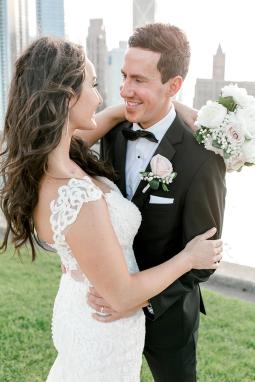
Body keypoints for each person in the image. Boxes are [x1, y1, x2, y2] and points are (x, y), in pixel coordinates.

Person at [0, 37, 222, 382]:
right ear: (66, 97)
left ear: (172, 85)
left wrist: (174, 108)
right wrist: (189, 257)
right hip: (104, 322)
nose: (112, 94)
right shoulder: (78, 192)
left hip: (130, 315)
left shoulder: (52, 159)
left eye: (138, 80)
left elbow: (113, 114)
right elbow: (121, 294)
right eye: (94, 83)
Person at [85, 23, 226, 382]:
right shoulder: (113, 133)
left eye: (139, 80)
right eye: (124, 76)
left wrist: (137, 299)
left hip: (168, 321)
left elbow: (203, 262)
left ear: (173, 86)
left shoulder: (203, 158)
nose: (125, 90)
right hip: (105, 310)